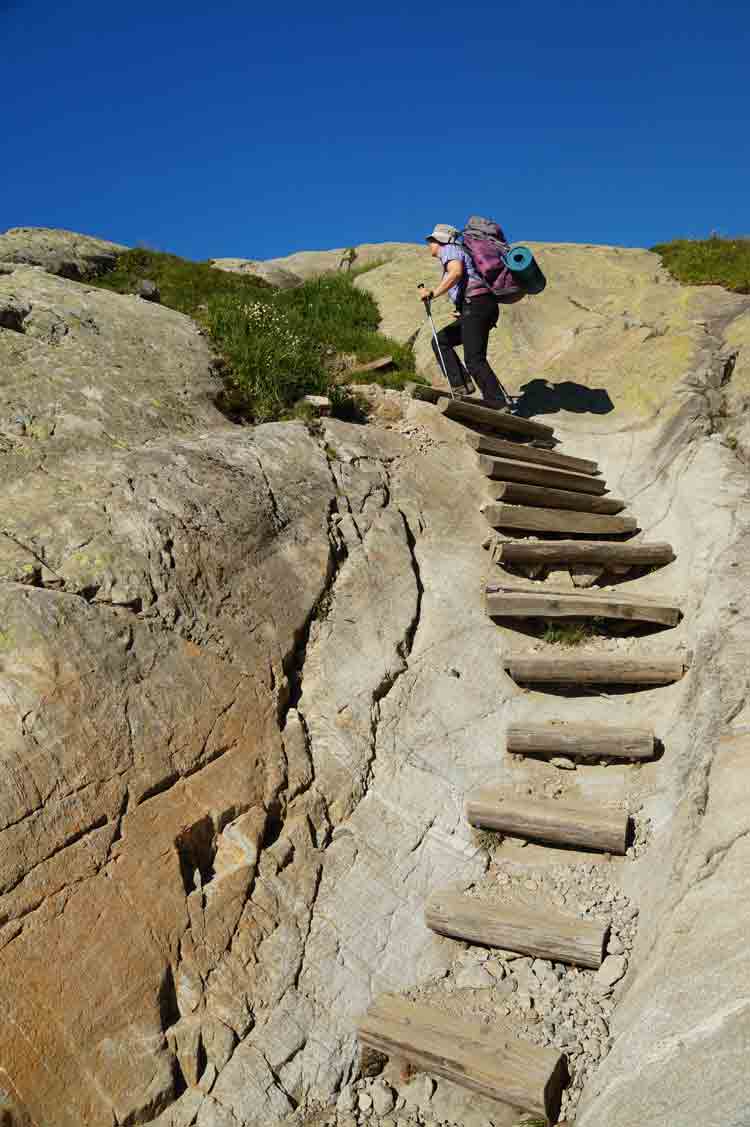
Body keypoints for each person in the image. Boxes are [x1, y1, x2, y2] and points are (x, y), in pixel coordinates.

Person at [418, 223, 511, 407]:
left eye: (431, 240)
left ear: (440, 241)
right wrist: (461, 307)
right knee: (441, 340)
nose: (429, 244)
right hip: (478, 306)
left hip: (476, 306)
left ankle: (498, 403)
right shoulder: (458, 251)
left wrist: (432, 294)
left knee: (474, 359)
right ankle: (462, 385)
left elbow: (456, 273)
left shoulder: (450, 250)